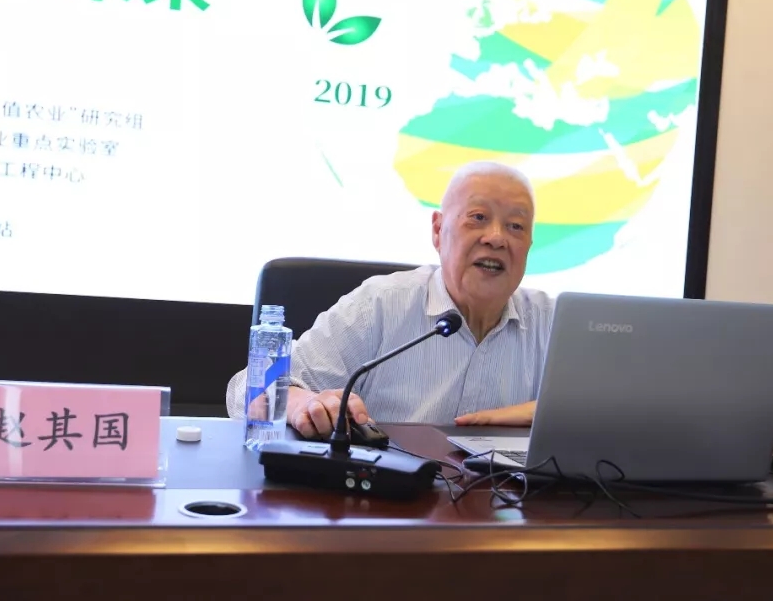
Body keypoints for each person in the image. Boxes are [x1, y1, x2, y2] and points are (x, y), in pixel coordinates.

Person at [225, 160, 555, 438]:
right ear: (438, 231)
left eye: (516, 226)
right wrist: (301, 404)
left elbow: (590, 415)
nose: (496, 238)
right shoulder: (380, 306)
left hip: (507, 496)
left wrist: (549, 413)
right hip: (385, 492)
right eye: (478, 217)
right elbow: (247, 390)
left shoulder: (555, 322)